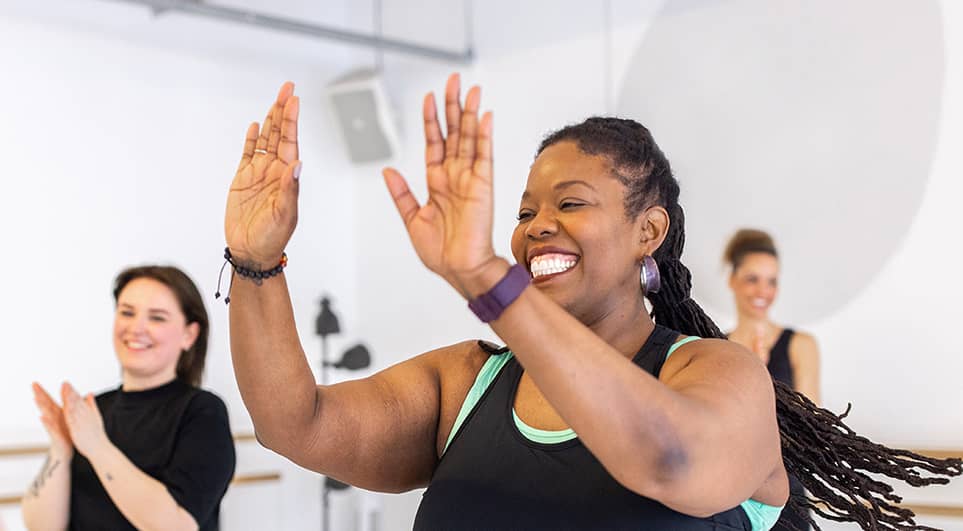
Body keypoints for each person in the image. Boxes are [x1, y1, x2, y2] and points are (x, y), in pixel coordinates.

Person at [222, 74, 961, 530]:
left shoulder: (717, 373)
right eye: (522, 211)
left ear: (649, 230)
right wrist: (256, 262)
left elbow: (670, 459)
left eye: (569, 202)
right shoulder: (467, 383)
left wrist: (484, 276)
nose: (536, 224)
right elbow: (295, 422)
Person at [21, 266, 236, 531]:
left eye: (157, 318)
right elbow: (41, 526)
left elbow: (176, 524)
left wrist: (98, 448)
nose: (136, 328)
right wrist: (61, 449)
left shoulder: (203, 412)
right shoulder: (93, 410)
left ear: (189, 334)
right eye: (127, 312)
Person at [723, 229, 820, 530]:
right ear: (733, 281)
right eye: (753, 278)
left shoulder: (800, 345)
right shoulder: (714, 347)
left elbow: (810, 430)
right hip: (729, 492)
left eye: (771, 281)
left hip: (786, 494)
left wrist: (763, 381)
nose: (763, 290)